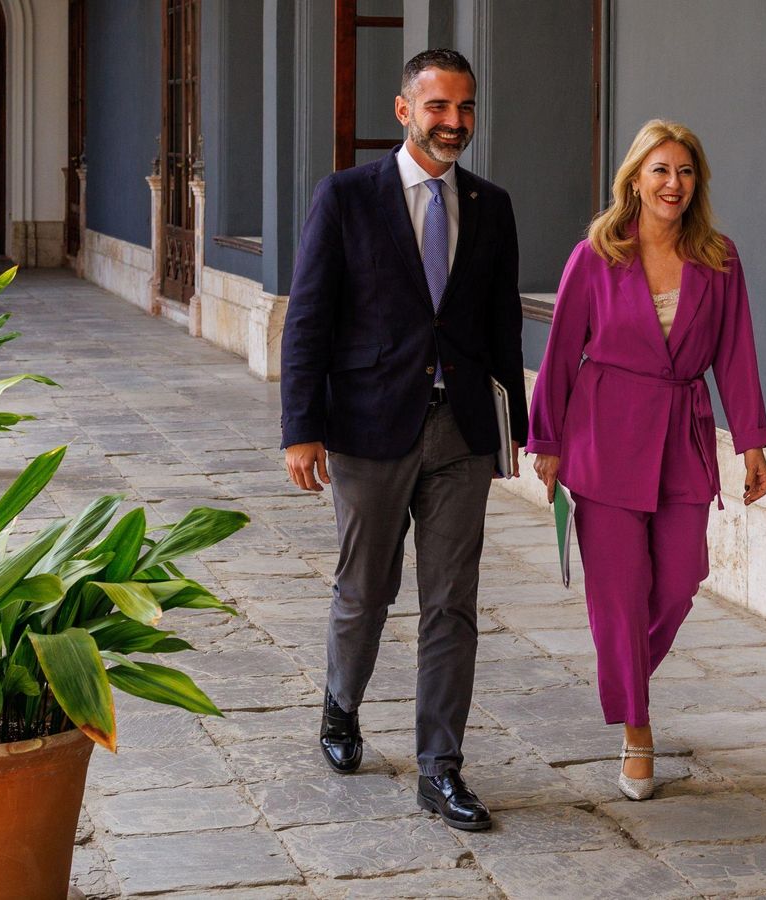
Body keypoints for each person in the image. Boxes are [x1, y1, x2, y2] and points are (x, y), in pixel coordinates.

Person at [279, 48, 527, 832]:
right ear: (404, 110)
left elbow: (500, 328)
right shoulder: (347, 197)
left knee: (451, 604)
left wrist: (512, 434)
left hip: (461, 437)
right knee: (366, 591)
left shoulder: (492, 205)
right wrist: (300, 430)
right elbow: (309, 318)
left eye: (466, 108)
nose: (454, 123)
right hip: (366, 429)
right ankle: (340, 707)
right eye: (439, 107)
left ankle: (440, 767)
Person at [526, 119, 766, 801]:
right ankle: (637, 726)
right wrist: (545, 440)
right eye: (660, 170)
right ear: (635, 178)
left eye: (686, 172)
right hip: (603, 438)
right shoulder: (596, 255)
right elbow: (560, 354)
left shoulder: (719, 258)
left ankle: (623, 672)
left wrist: (750, 441)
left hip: (682, 436)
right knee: (617, 595)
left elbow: (737, 355)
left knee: (681, 577)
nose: (673, 184)